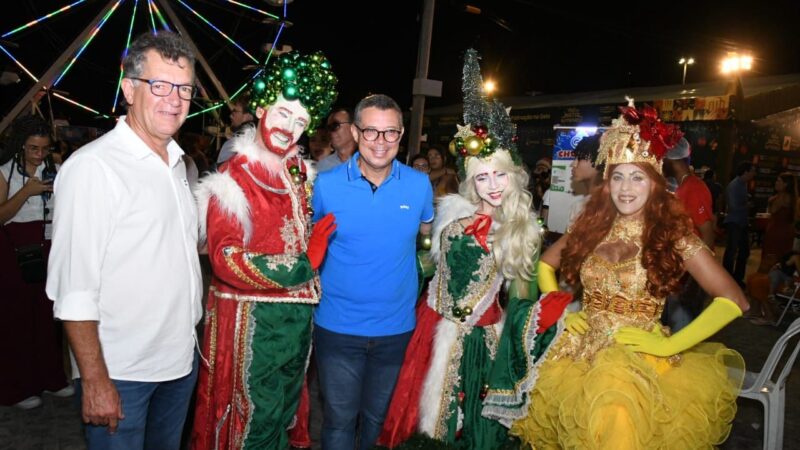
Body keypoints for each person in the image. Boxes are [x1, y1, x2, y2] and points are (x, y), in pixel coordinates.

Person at [510, 100, 750, 449]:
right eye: (618, 176)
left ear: (655, 184)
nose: (626, 188)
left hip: (637, 363)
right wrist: (560, 308)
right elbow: (544, 266)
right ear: (607, 183)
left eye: (637, 177)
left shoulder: (673, 234)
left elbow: (734, 300)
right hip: (578, 357)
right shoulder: (590, 226)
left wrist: (670, 344)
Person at [377, 49, 568, 449]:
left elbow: (521, 299)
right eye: (482, 178)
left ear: (514, 177)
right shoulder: (452, 215)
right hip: (429, 328)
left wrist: (546, 313)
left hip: (480, 343)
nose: (492, 186)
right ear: (470, 181)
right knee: (421, 421)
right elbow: (432, 267)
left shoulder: (520, 232)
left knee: (467, 427)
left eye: (499, 175)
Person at [47, 31, 203, 449]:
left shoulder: (177, 165)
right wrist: (95, 379)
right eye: (160, 85)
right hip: (122, 372)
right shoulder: (94, 168)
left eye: (184, 88)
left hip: (179, 363)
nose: (175, 100)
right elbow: (74, 289)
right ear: (130, 89)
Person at [190, 50, 338, 450]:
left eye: (301, 122)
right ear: (260, 107)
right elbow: (225, 259)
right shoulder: (233, 177)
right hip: (253, 326)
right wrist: (302, 264)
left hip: (295, 325)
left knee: (283, 419)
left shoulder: (298, 172)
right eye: (284, 113)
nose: (290, 129)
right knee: (251, 425)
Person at [311, 94, 434, 450]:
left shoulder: (419, 185)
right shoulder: (326, 185)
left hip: (395, 329)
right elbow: (308, 242)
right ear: (355, 132)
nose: (381, 142)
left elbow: (429, 239)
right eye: (371, 132)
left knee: (377, 423)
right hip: (337, 326)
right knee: (338, 421)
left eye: (390, 132)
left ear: (401, 135)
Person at [0, 115, 71, 410]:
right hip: (14, 247)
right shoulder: (4, 171)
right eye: (33, 148)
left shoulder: (54, 169)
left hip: (49, 244)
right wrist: (26, 192)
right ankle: (18, 387)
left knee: (47, 315)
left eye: (44, 148)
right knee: (17, 318)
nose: (39, 154)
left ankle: (51, 378)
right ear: (20, 145)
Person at [661, 138, 716, 331]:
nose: (661, 163)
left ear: (673, 160)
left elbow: (708, 233)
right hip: (678, 272)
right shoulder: (682, 187)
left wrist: (697, 276)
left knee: (681, 330)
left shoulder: (694, 188)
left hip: (689, 275)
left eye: (663, 159)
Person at [723, 161, 757, 287]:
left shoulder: (743, 184)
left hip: (741, 222)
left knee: (744, 251)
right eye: (752, 171)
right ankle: (727, 279)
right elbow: (733, 207)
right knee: (731, 251)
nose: (754, 174)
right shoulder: (734, 185)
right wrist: (746, 205)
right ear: (746, 172)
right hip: (734, 222)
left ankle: (737, 278)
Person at [761, 172, 796, 271]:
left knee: (772, 259)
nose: (776, 183)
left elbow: (773, 211)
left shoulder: (783, 198)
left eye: (779, 181)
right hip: (784, 232)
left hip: (778, 233)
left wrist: (771, 200)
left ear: (786, 184)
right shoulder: (792, 198)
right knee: (781, 260)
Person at [568, 133, 604, 225]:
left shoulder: (609, 206)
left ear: (598, 161)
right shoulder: (579, 206)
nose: (573, 164)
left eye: (580, 158)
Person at [216, 94, 255, 165]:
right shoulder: (257, 144)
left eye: (235, 111)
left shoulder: (234, 145)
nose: (230, 116)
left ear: (247, 116)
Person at [316, 107, 357, 172]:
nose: (330, 131)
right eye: (328, 127)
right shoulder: (322, 167)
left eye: (335, 125)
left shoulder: (369, 160)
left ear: (353, 127)